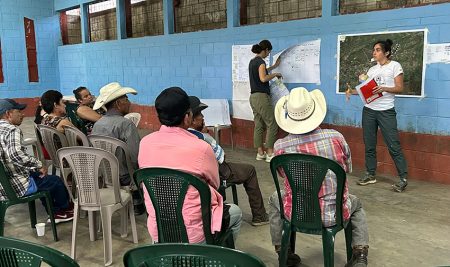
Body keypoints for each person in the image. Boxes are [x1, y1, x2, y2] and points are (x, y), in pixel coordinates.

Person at [269, 87, 369, 267]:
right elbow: (346, 169)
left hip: (297, 213)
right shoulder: (336, 138)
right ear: (316, 111)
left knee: (274, 198)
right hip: (334, 214)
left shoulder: (280, 146)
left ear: (289, 116)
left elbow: (284, 176)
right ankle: (360, 254)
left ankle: (283, 251)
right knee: (357, 204)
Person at [138, 87, 242, 243]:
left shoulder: (145, 143)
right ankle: (214, 256)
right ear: (187, 117)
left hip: (159, 231)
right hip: (195, 234)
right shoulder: (201, 147)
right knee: (235, 213)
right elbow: (215, 183)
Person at [188, 96, 269, 226]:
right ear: (190, 119)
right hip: (217, 174)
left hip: (196, 177)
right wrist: (206, 134)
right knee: (250, 170)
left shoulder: (180, 135)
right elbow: (221, 157)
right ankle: (259, 216)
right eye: (199, 114)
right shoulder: (202, 137)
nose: (203, 117)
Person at [346, 39, 408, 192]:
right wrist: (352, 92)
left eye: (378, 50)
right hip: (369, 111)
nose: (374, 52)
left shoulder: (395, 66)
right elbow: (366, 90)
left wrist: (383, 88)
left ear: (386, 52)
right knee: (369, 144)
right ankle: (370, 174)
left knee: (393, 145)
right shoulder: (372, 70)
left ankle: (403, 178)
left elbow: (400, 88)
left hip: (386, 111)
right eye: (374, 49)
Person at [0, 99, 73, 223]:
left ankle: (54, 210)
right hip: (17, 186)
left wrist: (34, 168)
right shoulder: (12, 130)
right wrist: (38, 164)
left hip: (3, 185)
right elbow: (16, 155)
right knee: (55, 181)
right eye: (19, 111)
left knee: (43, 178)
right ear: (8, 114)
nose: (22, 114)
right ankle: (62, 211)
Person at [91, 82, 145, 215]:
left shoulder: (98, 124)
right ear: (118, 103)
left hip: (105, 174)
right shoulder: (125, 124)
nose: (129, 102)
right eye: (126, 99)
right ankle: (138, 202)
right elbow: (135, 155)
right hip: (124, 177)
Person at [248, 39, 282, 163]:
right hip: (262, 97)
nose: (268, 55)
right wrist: (275, 74)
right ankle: (269, 153)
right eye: (268, 52)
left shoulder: (253, 62)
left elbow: (261, 72)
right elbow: (263, 78)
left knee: (258, 125)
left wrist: (274, 66)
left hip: (253, 97)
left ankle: (260, 153)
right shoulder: (261, 62)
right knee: (272, 123)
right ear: (266, 50)